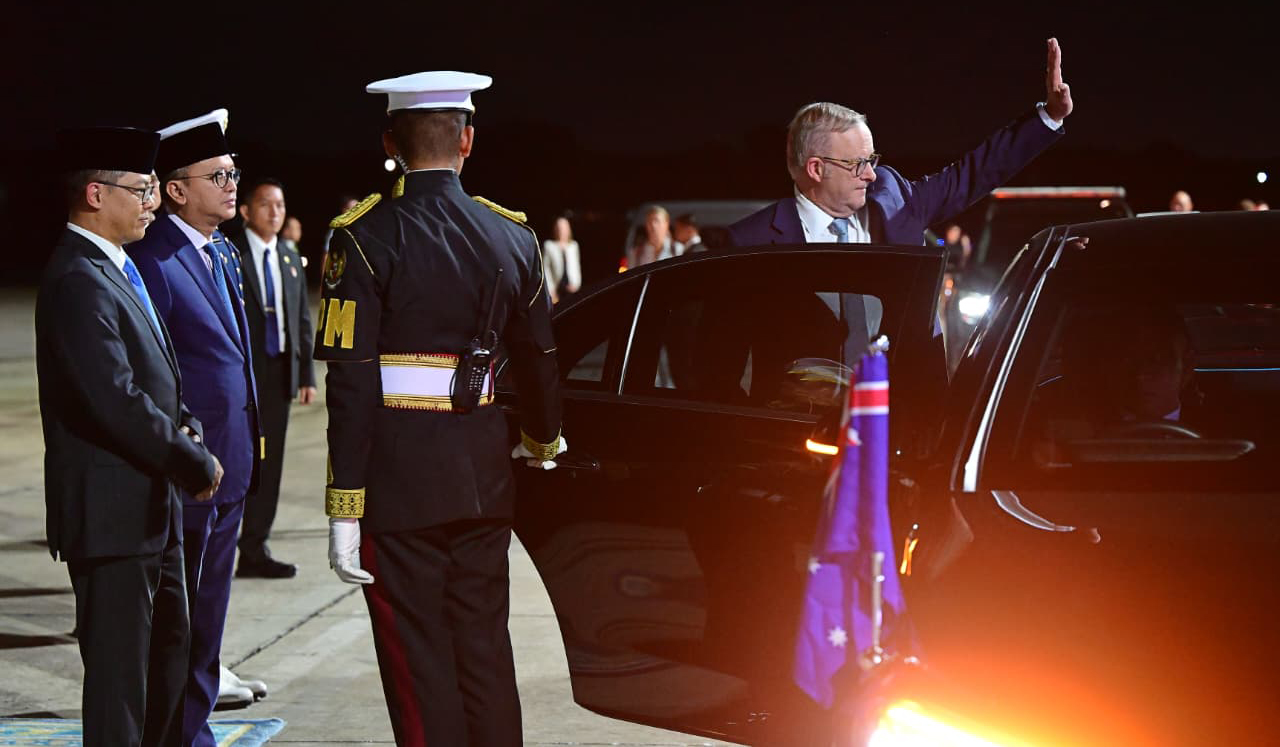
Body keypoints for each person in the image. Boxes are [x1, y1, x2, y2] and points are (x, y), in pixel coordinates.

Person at [315, 70, 564, 745]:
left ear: (390, 143)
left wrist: (345, 504)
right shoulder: (513, 236)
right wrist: (542, 440)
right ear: (467, 141)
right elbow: (540, 359)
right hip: (484, 477)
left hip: (399, 489)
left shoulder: (362, 236)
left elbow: (350, 385)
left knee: (420, 661)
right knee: (485, 651)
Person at [37, 126, 222, 746]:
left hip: (150, 510)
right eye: (142, 189)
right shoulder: (77, 277)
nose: (153, 201)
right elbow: (113, 396)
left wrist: (188, 424)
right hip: (112, 517)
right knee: (121, 684)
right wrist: (191, 458)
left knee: (167, 662)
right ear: (95, 194)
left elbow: (158, 376)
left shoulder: (117, 268)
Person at [127, 109, 263, 747]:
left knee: (209, 615)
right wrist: (183, 454)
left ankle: (193, 726)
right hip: (191, 468)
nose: (232, 186)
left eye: (234, 174)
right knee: (179, 622)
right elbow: (153, 372)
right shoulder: (153, 258)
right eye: (218, 176)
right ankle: (176, 734)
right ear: (176, 189)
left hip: (232, 461)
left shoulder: (222, 253)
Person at [729, 38, 1071, 248]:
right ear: (816, 169)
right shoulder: (750, 241)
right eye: (858, 164)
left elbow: (974, 173)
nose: (871, 175)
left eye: (872, 160)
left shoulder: (895, 198)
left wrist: (1049, 117)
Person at [222, 177, 316, 579]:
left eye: (280, 205)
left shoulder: (289, 257)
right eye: (265, 204)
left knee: (270, 463)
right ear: (245, 211)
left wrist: (306, 373)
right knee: (233, 459)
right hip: (241, 374)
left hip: (278, 374)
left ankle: (255, 548)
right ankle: (216, 548)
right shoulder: (229, 254)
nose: (275, 212)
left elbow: (301, 319)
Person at [542, 214, 581, 303]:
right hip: (556, 288)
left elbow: (576, 266)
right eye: (559, 228)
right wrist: (550, 289)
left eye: (564, 228)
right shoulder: (549, 245)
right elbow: (546, 269)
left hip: (571, 287)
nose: (561, 231)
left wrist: (576, 284)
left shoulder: (574, 246)